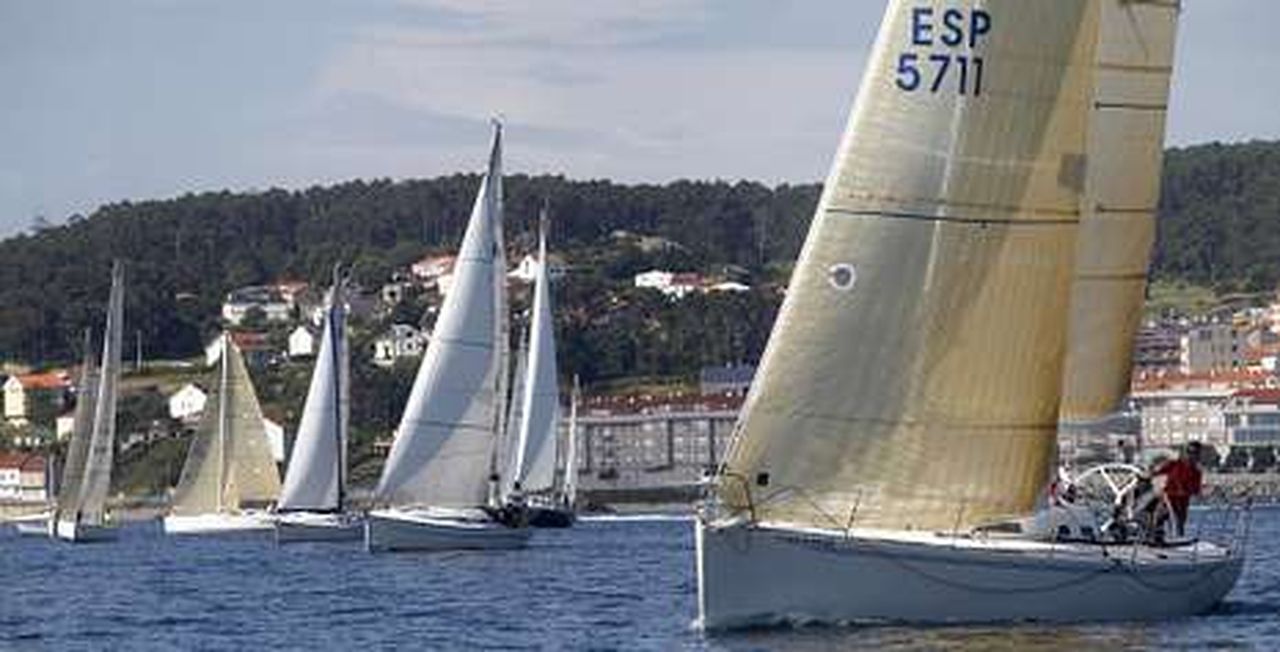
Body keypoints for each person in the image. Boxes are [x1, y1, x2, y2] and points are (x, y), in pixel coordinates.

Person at [1153, 441, 1204, 538]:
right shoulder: (1174, 464)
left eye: (1195, 453)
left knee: (1179, 522)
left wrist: (1190, 492)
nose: (1191, 455)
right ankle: (1155, 536)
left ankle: (1179, 539)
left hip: (1182, 501)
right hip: (1168, 498)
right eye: (1189, 452)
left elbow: (1196, 490)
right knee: (1159, 517)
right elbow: (1157, 472)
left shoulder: (1196, 472)